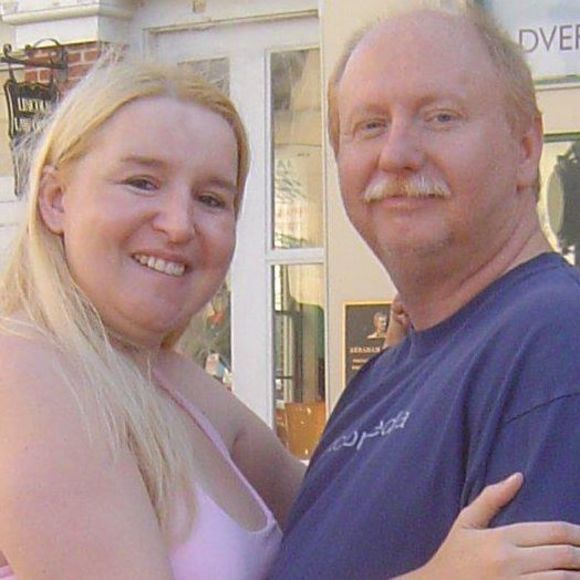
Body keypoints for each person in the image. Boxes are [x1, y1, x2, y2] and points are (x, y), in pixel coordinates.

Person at [0, 59, 578, 580]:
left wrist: (421, 375)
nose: (178, 224)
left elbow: (340, 516)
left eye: (212, 199)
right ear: (55, 199)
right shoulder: (28, 373)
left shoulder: (169, 382)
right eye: (142, 183)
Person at [270, 1, 580, 578]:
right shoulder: (384, 377)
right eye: (369, 125)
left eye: (440, 117)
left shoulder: (554, 346)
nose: (397, 154)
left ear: (525, 148)